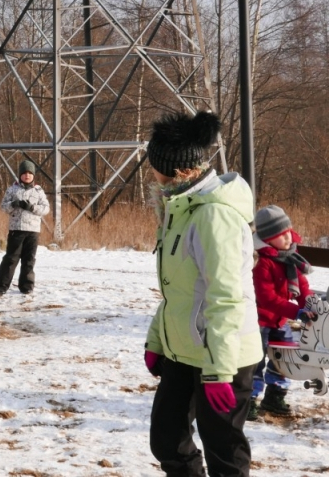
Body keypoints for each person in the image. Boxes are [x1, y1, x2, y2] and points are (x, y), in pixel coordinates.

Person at [143, 110, 262, 477]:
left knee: (223, 453)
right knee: (167, 439)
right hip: (185, 351)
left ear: (176, 170)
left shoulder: (214, 217)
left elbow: (226, 299)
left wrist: (219, 372)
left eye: (154, 167)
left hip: (222, 356)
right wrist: (156, 341)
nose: (151, 174)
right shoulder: (179, 207)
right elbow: (176, 290)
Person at [248, 205, 315, 420]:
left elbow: (302, 288)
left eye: (288, 231)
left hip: (280, 321)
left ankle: (275, 396)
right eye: (280, 235)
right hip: (259, 321)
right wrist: (296, 312)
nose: (287, 238)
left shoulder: (290, 258)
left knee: (284, 358)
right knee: (254, 361)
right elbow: (266, 298)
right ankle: (248, 398)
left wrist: (311, 307)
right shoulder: (262, 263)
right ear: (267, 239)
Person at [0, 159, 49, 296]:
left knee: (29, 260)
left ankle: (27, 287)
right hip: (16, 230)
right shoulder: (12, 190)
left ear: (34, 175)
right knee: (11, 259)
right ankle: (1, 287)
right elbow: (3, 207)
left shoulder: (39, 191)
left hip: (33, 231)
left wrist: (32, 207)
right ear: (20, 175)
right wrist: (14, 204)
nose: (27, 175)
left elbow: (46, 209)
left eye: (30, 173)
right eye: (24, 173)